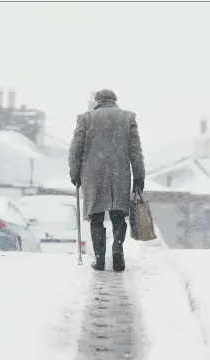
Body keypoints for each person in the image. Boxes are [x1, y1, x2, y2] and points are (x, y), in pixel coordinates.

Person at [68, 89, 145, 272]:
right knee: (118, 216)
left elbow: (75, 151)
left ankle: (100, 259)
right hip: (120, 175)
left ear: (97, 101)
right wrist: (139, 176)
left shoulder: (85, 119)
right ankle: (117, 250)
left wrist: (75, 174)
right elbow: (135, 151)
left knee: (96, 217)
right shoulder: (127, 118)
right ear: (114, 100)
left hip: (94, 175)